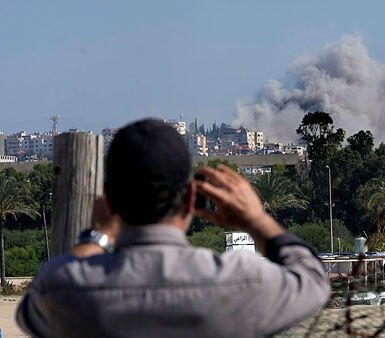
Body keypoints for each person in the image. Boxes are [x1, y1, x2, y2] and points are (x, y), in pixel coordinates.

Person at [16, 119, 330, 337]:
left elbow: (31, 309)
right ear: (191, 196)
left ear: (109, 201)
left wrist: (98, 235)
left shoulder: (65, 289)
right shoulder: (244, 280)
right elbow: (314, 279)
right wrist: (255, 218)